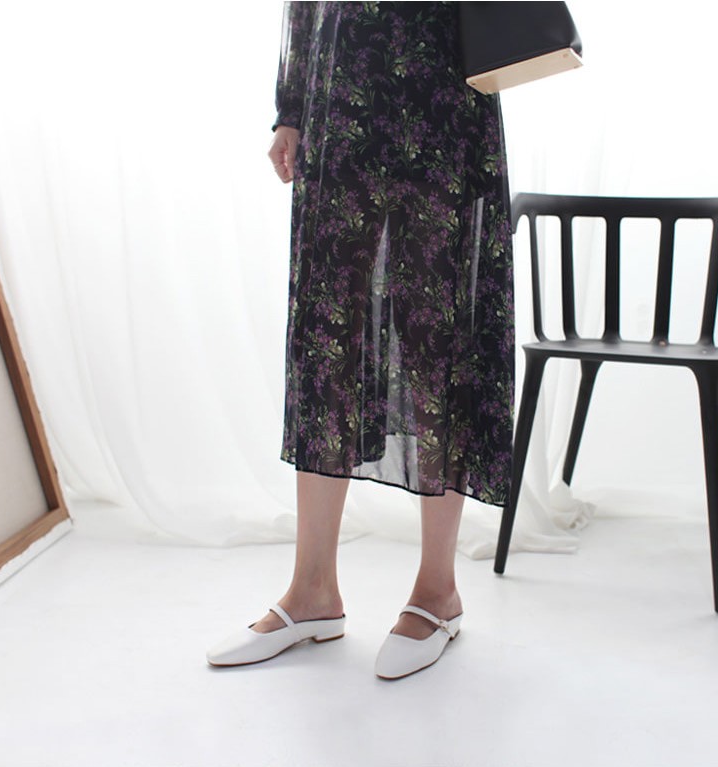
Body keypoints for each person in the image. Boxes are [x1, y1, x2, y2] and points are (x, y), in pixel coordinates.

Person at [207, 1, 514, 679]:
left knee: (437, 339)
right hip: (339, 96)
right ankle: (312, 591)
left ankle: (438, 590)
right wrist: (291, 107)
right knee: (326, 339)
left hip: (444, 92)